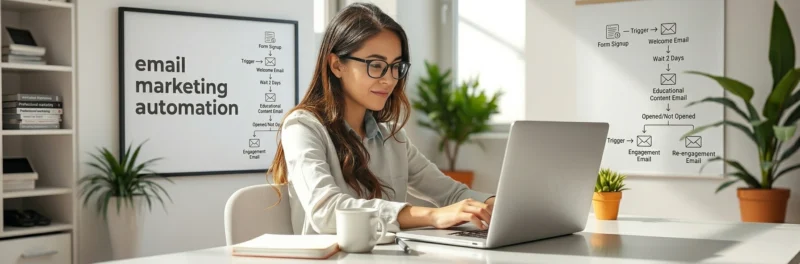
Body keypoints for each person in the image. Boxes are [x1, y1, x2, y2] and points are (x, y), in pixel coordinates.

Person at [268, 2, 496, 235]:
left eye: (396, 66)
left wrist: (498, 205)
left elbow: (452, 194)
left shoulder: (392, 137)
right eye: (376, 65)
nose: (389, 79)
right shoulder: (302, 127)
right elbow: (326, 212)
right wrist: (432, 215)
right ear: (337, 65)